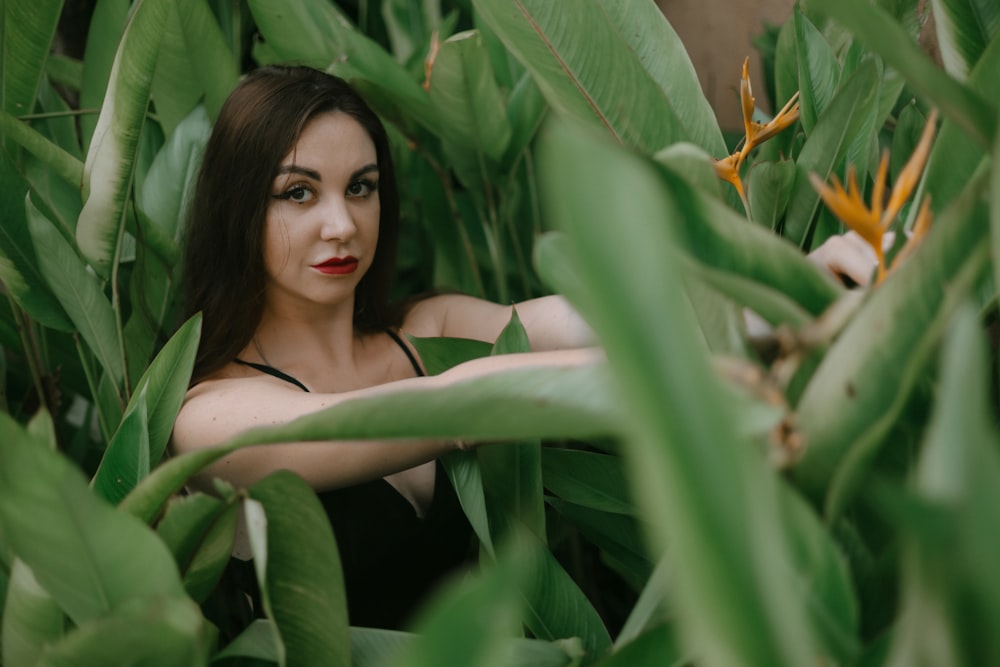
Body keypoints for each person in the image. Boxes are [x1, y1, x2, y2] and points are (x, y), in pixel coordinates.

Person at [172, 65, 878, 630]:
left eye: (362, 187)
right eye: (298, 193)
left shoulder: (430, 329)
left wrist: (808, 288)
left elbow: (604, 316)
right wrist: (681, 371)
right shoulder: (212, 417)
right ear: (239, 208)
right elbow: (452, 405)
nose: (341, 224)